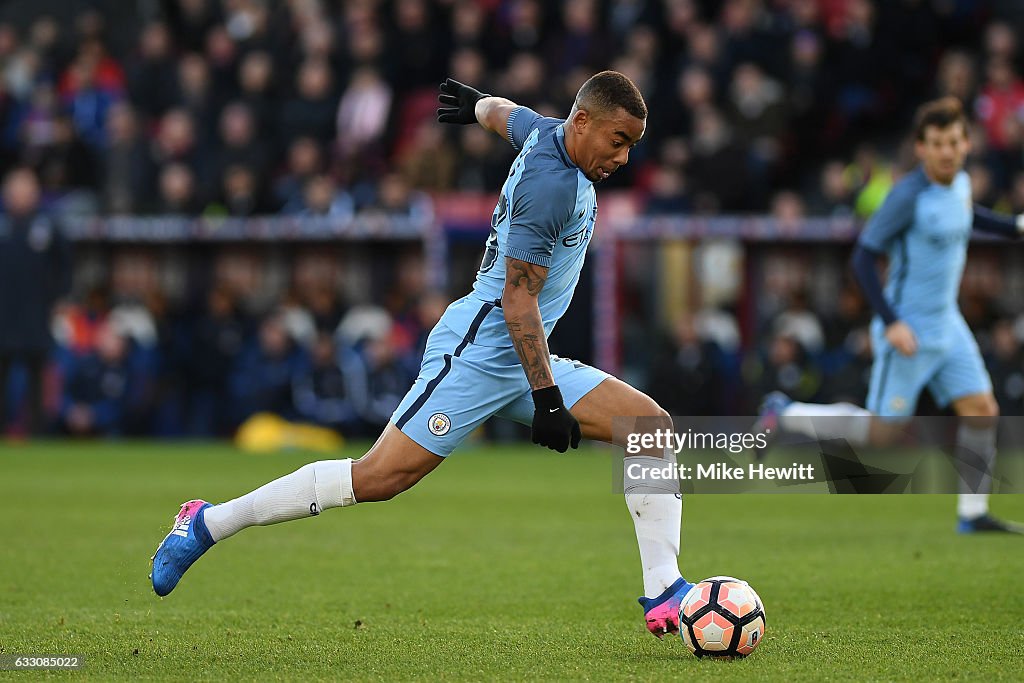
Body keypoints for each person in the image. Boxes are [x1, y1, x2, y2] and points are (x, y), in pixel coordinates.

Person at [151, 71, 694, 639]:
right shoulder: (552, 186)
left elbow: (506, 115)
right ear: (583, 123)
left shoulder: (548, 132)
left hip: (521, 352)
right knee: (379, 477)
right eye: (618, 140)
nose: (625, 157)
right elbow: (517, 300)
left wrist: (476, 104)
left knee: (649, 427)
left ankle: (662, 587)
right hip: (478, 351)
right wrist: (547, 398)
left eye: (632, 143)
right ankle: (207, 524)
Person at [756, 97, 1024, 534]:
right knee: (882, 433)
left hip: (948, 324)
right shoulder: (907, 196)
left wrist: (1014, 227)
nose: (947, 151)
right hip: (909, 329)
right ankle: (784, 412)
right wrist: (892, 321)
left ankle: (973, 515)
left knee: (982, 409)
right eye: (937, 143)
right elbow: (863, 258)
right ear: (921, 148)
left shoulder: (959, 185)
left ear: (967, 143)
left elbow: (965, 215)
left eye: (954, 141)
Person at [0, 167, 72, 436]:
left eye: (26, 189)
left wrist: (62, 297)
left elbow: (66, 265)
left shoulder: (48, 225)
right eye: (15, 188)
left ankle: (38, 432)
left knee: (38, 376)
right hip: (3, 313)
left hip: (36, 313)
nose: (20, 195)